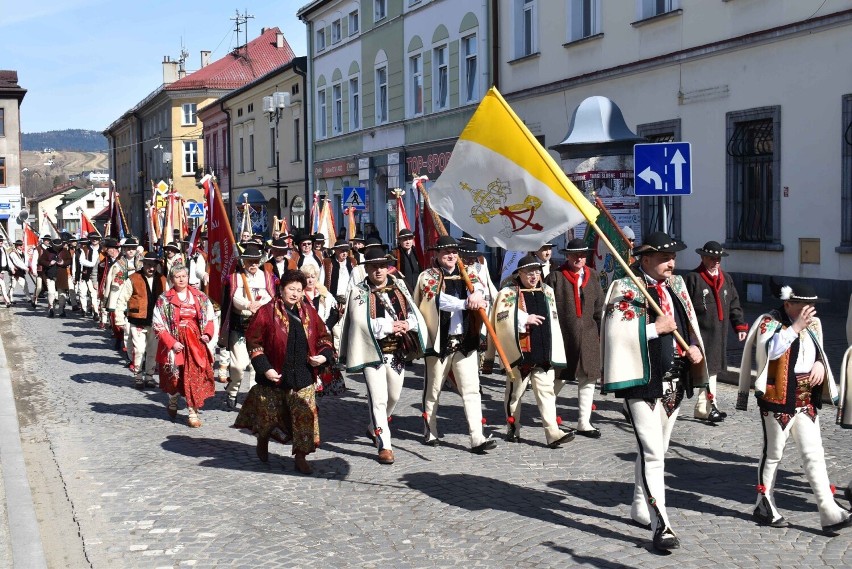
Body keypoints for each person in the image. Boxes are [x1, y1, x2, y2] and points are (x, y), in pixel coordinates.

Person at [600, 231, 707, 552]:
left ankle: (639, 505)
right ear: (645, 259)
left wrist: (694, 349)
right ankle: (662, 523)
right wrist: (652, 329)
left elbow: (686, 324)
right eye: (664, 258)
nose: (671, 263)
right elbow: (615, 335)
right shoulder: (625, 287)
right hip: (641, 382)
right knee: (652, 453)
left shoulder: (677, 286)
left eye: (673, 257)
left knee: (656, 449)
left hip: (674, 381)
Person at [737, 282, 851, 533]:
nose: (809, 310)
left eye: (812, 305)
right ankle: (763, 503)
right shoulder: (770, 322)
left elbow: (817, 349)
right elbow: (772, 352)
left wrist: (820, 364)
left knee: (814, 453)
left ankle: (828, 509)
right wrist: (796, 327)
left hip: (805, 396)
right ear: (788, 304)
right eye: (803, 305)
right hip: (778, 396)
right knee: (774, 452)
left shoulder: (813, 324)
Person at [233, 269, 335, 474]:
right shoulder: (266, 312)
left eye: (299, 289)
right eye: (291, 289)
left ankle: (300, 457)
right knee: (269, 417)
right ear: (281, 289)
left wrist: (323, 356)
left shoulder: (309, 312)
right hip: (275, 376)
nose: (296, 293)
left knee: (304, 417)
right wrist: (265, 368)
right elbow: (254, 343)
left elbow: (324, 337)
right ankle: (263, 439)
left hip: (304, 375)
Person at [341, 247, 427, 464]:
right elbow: (360, 322)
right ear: (367, 269)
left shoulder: (399, 287)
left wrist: (407, 323)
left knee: (394, 396)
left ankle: (373, 427)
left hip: (396, 352)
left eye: (381, 266)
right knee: (377, 399)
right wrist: (390, 326)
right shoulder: (359, 292)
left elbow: (414, 312)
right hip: (372, 351)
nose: (378, 271)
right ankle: (385, 444)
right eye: (373, 267)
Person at [413, 235, 496, 454]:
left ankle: (477, 436)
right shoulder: (428, 276)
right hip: (439, 342)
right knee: (434, 389)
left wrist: (478, 294)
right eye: (446, 252)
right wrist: (465, 303)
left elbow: (483, 291)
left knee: (471, 390)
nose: (451, 256)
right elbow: (437, 300)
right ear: (437, 255)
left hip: (465, 341)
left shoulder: (469, 274)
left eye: (454, 252)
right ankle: (430, 429)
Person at [491, 254, 575, 448]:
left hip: (544, 353)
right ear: (519, 273)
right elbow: (501, 317)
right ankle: (513, 428)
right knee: (515, 394)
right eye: (529, 272)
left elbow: (553, 320)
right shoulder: (508, 292)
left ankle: (552, 433)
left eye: (537, 272)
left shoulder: (547, 291)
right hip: (521, 354)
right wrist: (524, 319)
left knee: (546, 393)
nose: (534, 276)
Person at [545, 238, 605, 438]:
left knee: (588, 379)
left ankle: (584, 422)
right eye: (574, 255)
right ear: (567, 256)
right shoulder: (555, 277)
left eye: (582, 254)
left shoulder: (593, 276)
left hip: (588, 335)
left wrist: (600, 332)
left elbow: (599, 307)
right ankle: (550, 418)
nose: (578, 258)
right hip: (564, 336)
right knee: (558, 379)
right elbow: (548, 308)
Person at [684, 241, 748, 423]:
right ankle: (705, 407)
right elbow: (684, 307)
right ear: (703, 258)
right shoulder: (693, 278)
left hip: (719, 333)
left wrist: (739, 326)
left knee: (712, 371)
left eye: (718, 258)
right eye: (712, 258)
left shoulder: (726, 278)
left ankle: (706, 407)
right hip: (699, 334)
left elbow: (734, 303)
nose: (715, 262)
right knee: (704, 371)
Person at [152, 264, 216, 428]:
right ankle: (173, 399)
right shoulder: (164, 299)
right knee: (174, 379)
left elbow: (210, 318)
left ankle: (192, 412)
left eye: (184, 276)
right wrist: (172, 343)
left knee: (193, 376)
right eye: (177, 276)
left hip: (195, 343)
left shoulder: (200, 297)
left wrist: (207, 334)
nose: (181, 279)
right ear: (172, 279)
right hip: (174, 343)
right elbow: (157, 324)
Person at [223, 242, 276, 409]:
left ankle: (254, 396)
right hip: (240, 326)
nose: (253, 264)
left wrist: (261, 306)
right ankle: (232, 391)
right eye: (249, 261)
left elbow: (271, 297)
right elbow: (235, 298)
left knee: (257, 364)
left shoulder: (267, 277)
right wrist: (247, 305)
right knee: (238, 366)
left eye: (255, 261)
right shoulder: (236, 278)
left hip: (260, 326)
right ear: (243, 262)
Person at [114, 252, 167, 389]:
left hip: (156, 321)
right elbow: (122, 299)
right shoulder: (133, 279)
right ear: (143, 264)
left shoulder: (163, 279)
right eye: (149, 265)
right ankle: (138, 376)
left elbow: (167, 301)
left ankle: (149, 376)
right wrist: (119, 318)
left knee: (153, 350)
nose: (151, 268)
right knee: (139, 349)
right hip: (138, 320)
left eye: (154, 265)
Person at [103, 237, 140, 351]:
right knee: (121, 320)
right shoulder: (118, 264)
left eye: (133, 249)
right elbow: (111, 280)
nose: (130, 251)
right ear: (124, 250)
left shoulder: (141, 263)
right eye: (128, 248)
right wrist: (108, 296)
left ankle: (132, 345)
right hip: (121, 295)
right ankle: (121, 340)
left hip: (136, 295)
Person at [38, 237, 73, 317]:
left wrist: (64, 262)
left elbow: (69, 260)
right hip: (50, 274)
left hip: (62, 274)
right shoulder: (48, 251)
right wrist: (49, 263)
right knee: (51, 292)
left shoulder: (64, 251)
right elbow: (41, 260)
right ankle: (51, 308)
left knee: (62, 293)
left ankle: (61, 309)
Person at [76, 234, 101, 316]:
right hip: (86, 274)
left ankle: (96, 312)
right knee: (82, 293)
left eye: (96, 238)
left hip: (98, 275)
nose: (94, 240)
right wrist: (92, 264)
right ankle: (84, 309)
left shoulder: (102, 249)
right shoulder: (85, 249)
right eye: (93, 238)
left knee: (94, 294)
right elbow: (81, 261)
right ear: (90, 239)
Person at [393, 228, 421, 293]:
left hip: (418, 289)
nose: (408, 242)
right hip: (403, 290)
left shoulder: (418, 253)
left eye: (410, 239)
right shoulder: (395, 254)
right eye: (405, 239)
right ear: (400, 241)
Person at [8, 240, 30, 304]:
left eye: (21, 245)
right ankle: (10, 299)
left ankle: (29, 298)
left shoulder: (22, 253)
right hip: (14, 271)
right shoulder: (13, 253)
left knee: (24, 285)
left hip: (20, 271)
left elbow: (24, 262)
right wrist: (25, 268)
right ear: (16, 246)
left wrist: (27, 267)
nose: (21, 246)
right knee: (12, 286)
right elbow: (17, 262)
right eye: (19, 245)